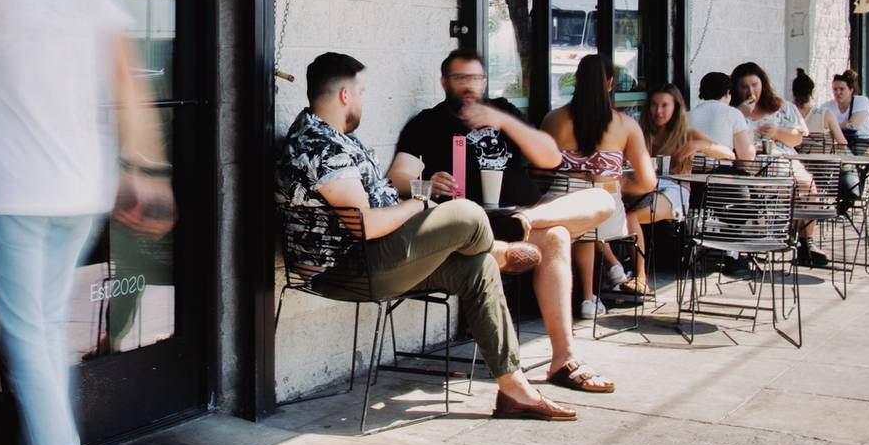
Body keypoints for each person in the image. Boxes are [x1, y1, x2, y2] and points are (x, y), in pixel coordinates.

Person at [0, 0, 174, 445]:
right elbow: (129, 85)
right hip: (79, 190)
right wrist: (148, 172)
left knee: (31, 344)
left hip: (16, 194)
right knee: (44, 339)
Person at [279, 51, 576, 421]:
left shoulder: (334, 137)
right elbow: (365, 225)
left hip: (377, 255)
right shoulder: (318, 145)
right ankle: (499, 249)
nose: (362, 100)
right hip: (350, 267)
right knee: (466, 212)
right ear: (344, 95)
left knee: (477, 268)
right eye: (362, 92)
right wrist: (419, 205)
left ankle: (513, 388)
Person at [389, 49, 616, 394]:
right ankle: (562, 357)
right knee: (554, 236)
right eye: (461, 78)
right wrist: (427, 183)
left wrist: (504, 121)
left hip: (519, 219)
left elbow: (551, 157)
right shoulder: (427, 123)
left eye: (477, 78)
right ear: (444, 83)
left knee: (598, 202)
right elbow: (397, 177)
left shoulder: (504, 112)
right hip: (473, 228)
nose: (470, 86)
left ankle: (524, 222)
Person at [541, 55, 656, 312]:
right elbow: (648, 181)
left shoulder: (553, 119)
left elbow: (539, 165)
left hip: (561, 201)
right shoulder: (626, 125)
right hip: (605, 203)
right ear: (610, 83)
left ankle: (589, 294)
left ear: (577, 82)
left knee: (581, 224)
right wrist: (620, 185)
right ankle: (590, 296)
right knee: (592, 220)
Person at [622, 85, 734, 290]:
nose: (659, 111)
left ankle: (640, 278)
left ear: (676, 108)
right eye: (654, 105)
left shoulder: (687, 134)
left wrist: (701, 146)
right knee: (608, 209)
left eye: (665, 105)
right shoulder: (640, 133)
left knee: (631, 217)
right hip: (642, 186)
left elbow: (728, 153)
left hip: (674, 191)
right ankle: (613, 269)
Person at [730, 61, 828, 267]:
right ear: (736, 89)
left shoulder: (781, 107)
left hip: (782, 161)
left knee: (806, 185)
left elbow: (798, 138)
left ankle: (806, 242)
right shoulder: (733, 111)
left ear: (763, 84)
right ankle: (742, 243)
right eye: (744, 86)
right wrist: (739, 114)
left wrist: (776, 132)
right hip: (748, 164)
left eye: (755, 85)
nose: (750, 90)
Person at [687, 71, 757, 161]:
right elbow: (747, 157)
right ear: (728, 92)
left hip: (689, 171)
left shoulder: (687, 115)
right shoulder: (733, 113)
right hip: (722, 171)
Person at [821, 69, 869, 152]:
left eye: (842, 89)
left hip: (862, 141)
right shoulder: (827, 106)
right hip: (839, 141)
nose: (838, 92)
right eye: (835, 89)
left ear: (851, 90)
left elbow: (852, 125)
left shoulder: (861, 101)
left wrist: (832, 126)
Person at [792, 68, 848, 147]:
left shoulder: (786, 113)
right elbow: (842, 143)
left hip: (792, 158)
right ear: (812, 92)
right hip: (821, 158)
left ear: (793, 92)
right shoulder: (825, 114)